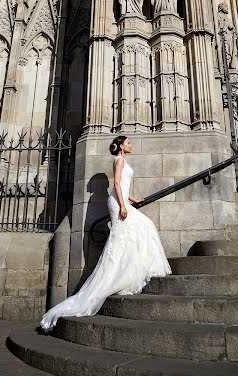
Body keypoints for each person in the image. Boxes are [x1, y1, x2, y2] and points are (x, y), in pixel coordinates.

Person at [40, 136, 171, 333]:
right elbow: (117, 184)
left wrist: (135, 199)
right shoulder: (118, 160)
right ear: (120, 146)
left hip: (121, 201)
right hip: (117, 203)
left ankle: (127, 271)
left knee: (135, 232)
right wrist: (124, 206)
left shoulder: (123, 160)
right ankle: (119, 276)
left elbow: (124, 187)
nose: (131, 145)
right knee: (142, 227)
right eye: (128, 142)